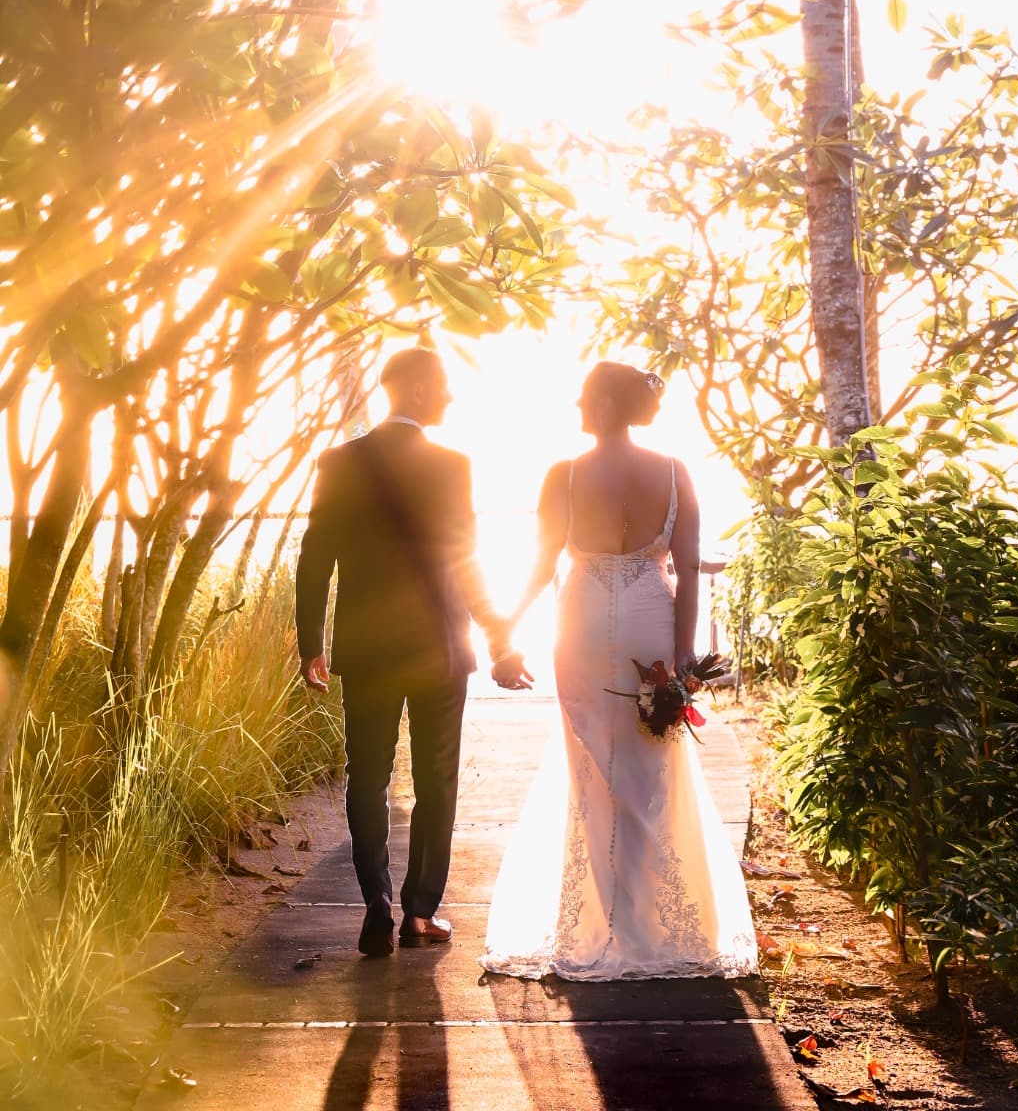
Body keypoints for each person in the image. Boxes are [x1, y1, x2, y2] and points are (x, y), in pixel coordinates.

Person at [481, 360, 758, 981]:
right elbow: (686, 571)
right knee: (649, 770)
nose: (576, 406)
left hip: (578, 631)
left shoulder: (564, 476)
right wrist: (682, 663)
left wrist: (504, 633)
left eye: (583, 397)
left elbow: (538, 566)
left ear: (604, 406)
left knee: (592, 774)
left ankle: (603, 923)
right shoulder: (674, 472)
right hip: (651, 628)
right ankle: (640, 924)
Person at [295, 347, 530, 960]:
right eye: (446, 387)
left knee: (366, 779)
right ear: (422, 390)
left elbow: (314, 558)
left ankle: (376, 906)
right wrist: (499, 639)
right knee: (435, 780)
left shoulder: (338, 461)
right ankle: (420, 913)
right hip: (438, 647)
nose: (450, 398)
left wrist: (310, 646)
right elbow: (466, 560)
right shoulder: (451, 464)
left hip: (368, 648)